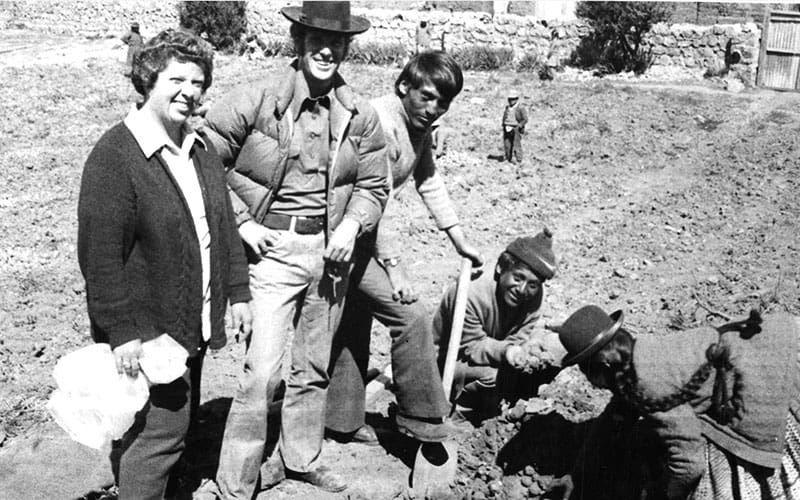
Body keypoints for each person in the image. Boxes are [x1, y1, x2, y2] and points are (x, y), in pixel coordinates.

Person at [202, 2, 389, 496]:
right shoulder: (258, 99)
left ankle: (302, 458)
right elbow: (201, 159)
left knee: (312, 368)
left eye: (337, 42)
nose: (327, 51)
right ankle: (235, 482)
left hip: (331, 255)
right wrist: (241, 223)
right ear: (299, 41)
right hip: (273, 252)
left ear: (347, 47)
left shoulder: (360, 114)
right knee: (262, 372)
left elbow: (374, 185)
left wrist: (352, 226)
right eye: (317, 40)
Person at [77, 29, 252, 500]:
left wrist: (238, 292)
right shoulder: (116, 157)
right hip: (149, 329)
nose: (189, 92)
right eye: (177, 79)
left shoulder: (199, 150)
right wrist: (121, 331)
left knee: (170, 426)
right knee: (161, 435)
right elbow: (100, 257)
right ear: (148, 80)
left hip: (190, 320)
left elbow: (222, 226)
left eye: (197, 82)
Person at [325, 50, 484, 447]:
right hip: (339, 234)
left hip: (359, 235)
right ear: (403, 87)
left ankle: (341, 421)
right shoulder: (381, 122)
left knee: (355, 318)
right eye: (426, 97)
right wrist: (394, 268)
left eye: (443, 103)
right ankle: (420, 415)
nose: (434, 109)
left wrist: (459, 240)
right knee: (410, 315)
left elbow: (427, 178)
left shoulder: (417, 126)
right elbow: (374, 197)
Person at [550, 305, 800, 500]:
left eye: (586, 371)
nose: (589, 382)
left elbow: (689, 463)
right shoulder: (634, 360)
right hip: (761, 353)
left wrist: (667, 493)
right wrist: (577, 473)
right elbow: (612, 419)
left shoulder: (648, 383)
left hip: (768, 380)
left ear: (603, 366)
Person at [432, 229, 563, 419]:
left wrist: (523, 349)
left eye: (533, 285)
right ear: (501, 267)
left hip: (492, 354)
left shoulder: (534, 297)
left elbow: (521, 336)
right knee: (493, 376)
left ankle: (499, 400)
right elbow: (471, 346)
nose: (522, 290)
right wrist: (507, 351)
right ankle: (461, 414)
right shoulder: (471, 293)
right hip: (445, 362)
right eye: (517, 278)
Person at [501, 90, 528, 164]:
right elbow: (505, 116)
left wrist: (519, 125)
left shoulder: (520, 108)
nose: (511, 101)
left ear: (516, 99)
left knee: (516, 144)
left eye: (512, 99)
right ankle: (508, 159)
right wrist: (504, 124)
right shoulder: (507, 108)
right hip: (507, 127)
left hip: (515, 128)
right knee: (507, 144)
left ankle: (519, 159)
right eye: (509, 99)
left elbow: (525, 119)